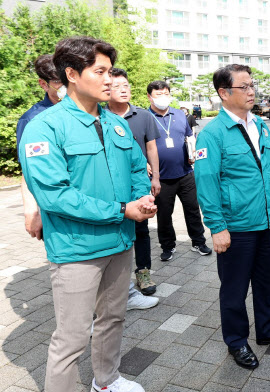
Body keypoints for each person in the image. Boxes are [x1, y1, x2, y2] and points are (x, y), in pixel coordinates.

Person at [19, 36, 157, 392]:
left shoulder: (116, 123)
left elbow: (137, 168)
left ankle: (106, 381)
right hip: (77, 249)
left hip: (120, 241)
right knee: (72, 337)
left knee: (113, 318)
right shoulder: (44, 128)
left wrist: (141, 198)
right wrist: (121, 209)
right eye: (101, 71)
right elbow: (55, 196)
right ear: (72, 74)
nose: (110, 79)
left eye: (111, 71)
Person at [195, 64, 270, 370]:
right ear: (224, 93)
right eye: (244, 87)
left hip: (263, 220)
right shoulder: (212, 134)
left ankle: (267, 330)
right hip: (235, 226)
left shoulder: (260, 125)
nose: (252, 91)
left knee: (265, 282)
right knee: (234, 289)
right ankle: (237, 342)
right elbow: (207, 183)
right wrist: (217, 227)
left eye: (252, 85)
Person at [106, 67, 162, 298]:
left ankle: (143, 272)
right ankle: (115, 280)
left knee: (141, 228)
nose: (123, 90)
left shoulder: (143, 116)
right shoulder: (99, 117)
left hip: (138, 183)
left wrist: (156, 176)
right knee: (113, 226)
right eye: (116, 86)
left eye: (126, 86)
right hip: (111, 185)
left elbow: (151, 147)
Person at [147, 80, 212, 260]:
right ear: (149, 96)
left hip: (185, 172)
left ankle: (198, 241)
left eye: (166, 93)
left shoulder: (180, 114)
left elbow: (190, 137)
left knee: (192, 208)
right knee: (164, 214)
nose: (163, 98)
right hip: (161, 177)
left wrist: (193, 153)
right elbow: (138, 144)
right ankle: (168, 246)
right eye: (158, 94)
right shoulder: (145, 117)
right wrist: (145, 163)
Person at [17, 54, 65, 242]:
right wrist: (31, 211)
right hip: (53, 206)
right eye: (57, 81)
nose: (65, 86)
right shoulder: (32, 120)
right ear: (43, 84)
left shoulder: (86, 111)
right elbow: (28, 171)